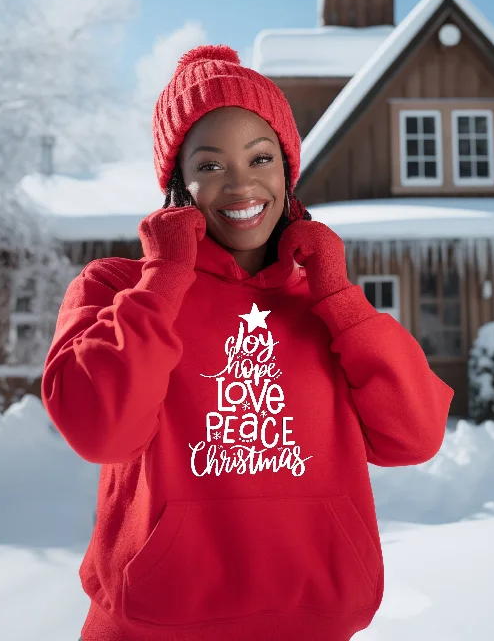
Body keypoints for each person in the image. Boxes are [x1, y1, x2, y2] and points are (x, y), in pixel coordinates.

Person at [42, 45, 454, 641]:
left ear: (287, 171)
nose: (240, 185)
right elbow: (102, 428)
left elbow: (414, 437)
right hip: (152, 627)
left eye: (261, 158)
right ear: (176, 183)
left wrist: (337, 295)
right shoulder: (117, 288)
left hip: (313, 623)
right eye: (209, 166)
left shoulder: (322, 297)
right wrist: (163, 281)